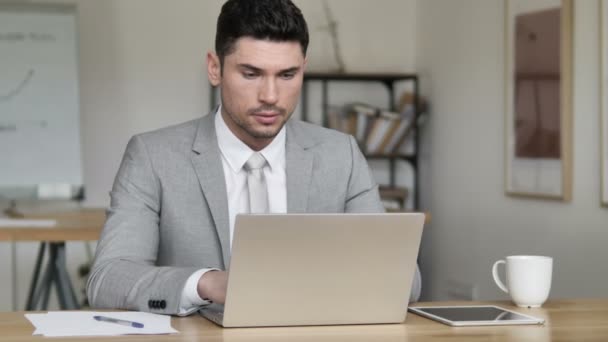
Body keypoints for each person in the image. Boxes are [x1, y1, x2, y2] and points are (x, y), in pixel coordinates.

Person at [87, 0, 421, 316]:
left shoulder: (341, 156)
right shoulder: (153, 156)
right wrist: (209, 283)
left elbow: (406, 279)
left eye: (287, 75)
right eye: (251, 74)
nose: (271, 96)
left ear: (303, 70)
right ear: (215, 68)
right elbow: (108, 279)